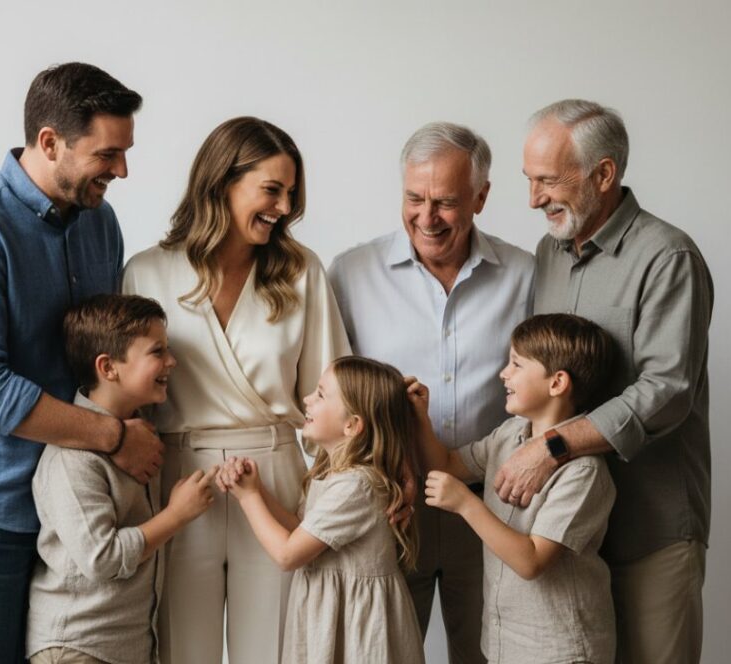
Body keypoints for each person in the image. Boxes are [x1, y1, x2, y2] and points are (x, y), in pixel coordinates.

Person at [0, 62, 162, 663]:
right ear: (49, 142)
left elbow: (104, 357)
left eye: (125, 152)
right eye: (108, 154)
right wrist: (111, 437)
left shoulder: (101, 224)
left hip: (74, 504)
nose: (122, 171)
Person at [122, 116, 350, 664]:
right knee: (182, 650)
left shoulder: (301, 272)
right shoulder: (147, 271)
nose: (283, 206)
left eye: (291, 193)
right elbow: (124, 397)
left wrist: (338, 494)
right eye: (271, 189)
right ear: (221, 183)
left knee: (275, 650)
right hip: (179, 478)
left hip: (273, 473)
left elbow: (333, 396)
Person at [500, 99, 713, 663]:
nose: (533, 199)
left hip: (649, 528)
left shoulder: (668, 256)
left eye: (547, 181)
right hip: (566, 534)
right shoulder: (548, 253)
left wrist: (554, 446)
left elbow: (667, 389)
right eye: (529, 180)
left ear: (604, 174)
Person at [329, 122, 533, 663]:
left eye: (445, 202)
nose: (427, 217)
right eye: (414, 198)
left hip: (494, 508)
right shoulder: (351, 273)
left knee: (486, 653)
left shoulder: (525, 275)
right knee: (385, 653)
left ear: (481, 197)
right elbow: (332, 395)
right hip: (389, 509)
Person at [409, 314, 617, 664]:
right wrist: (420, 417)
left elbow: (532, 561)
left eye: (516, 364)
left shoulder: (583, 471)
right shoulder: (510, 434)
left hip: (561, 648)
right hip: (506, 641)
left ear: (557, 383)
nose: (503, 373)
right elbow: (446, 465)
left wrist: (466, 504)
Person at [27, 294, 217, 664]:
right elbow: (101, 558)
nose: (171, 361)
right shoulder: (72, 459)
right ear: (108, 367)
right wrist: (176, 515)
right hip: (77, 648)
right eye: (157, 352)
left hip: (123, 648)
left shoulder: (145, 432)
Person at [218, 356, 424, 664]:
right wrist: (257, 489)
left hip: (359, 628)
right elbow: (303, 529)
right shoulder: (329, 472)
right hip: (328, 614)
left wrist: (249, 499)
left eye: (320, 394)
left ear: (352, 424)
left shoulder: (357, 486)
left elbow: (288, 555)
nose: (306, 399)